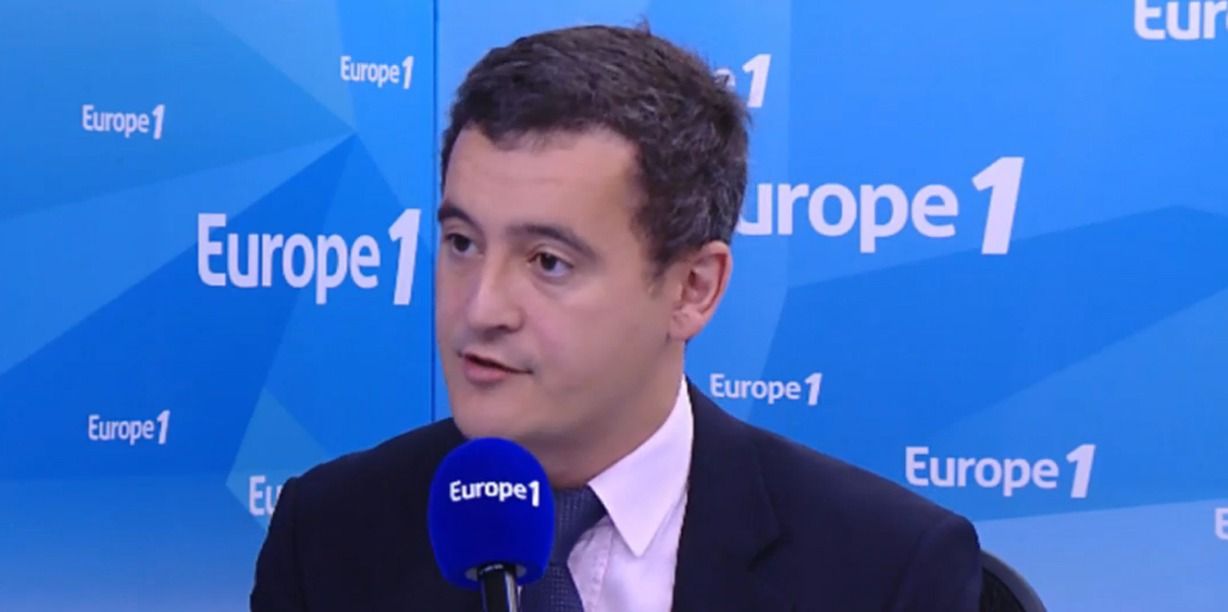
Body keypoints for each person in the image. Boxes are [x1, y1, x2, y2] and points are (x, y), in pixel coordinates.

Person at [252, 24, 982, 612]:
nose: (481, 308)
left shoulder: (885, 570)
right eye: (462, 243)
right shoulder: (328, 535)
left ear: (693, 289)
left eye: (548, 262)